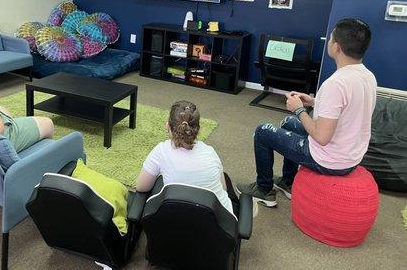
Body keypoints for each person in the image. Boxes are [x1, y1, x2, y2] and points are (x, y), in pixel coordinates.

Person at [237, 18, 377, 207]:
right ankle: (288, 182)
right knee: (288, 122)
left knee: (263, 131)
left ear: (336, 47)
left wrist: (300, 109)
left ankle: (263, 190)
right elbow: (348, 108)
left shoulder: (336, 84)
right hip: (350, 155)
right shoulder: (367, 76)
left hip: (329, 160)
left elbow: (321, 137)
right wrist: (315, 102)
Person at [136, 100, 239, 217]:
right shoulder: (210, 152)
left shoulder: (161, 151)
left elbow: (141, 186)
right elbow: (223, 189)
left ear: (168, 125)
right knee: (226, 180)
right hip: (216, 228)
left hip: (174, 224)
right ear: (198, 129)